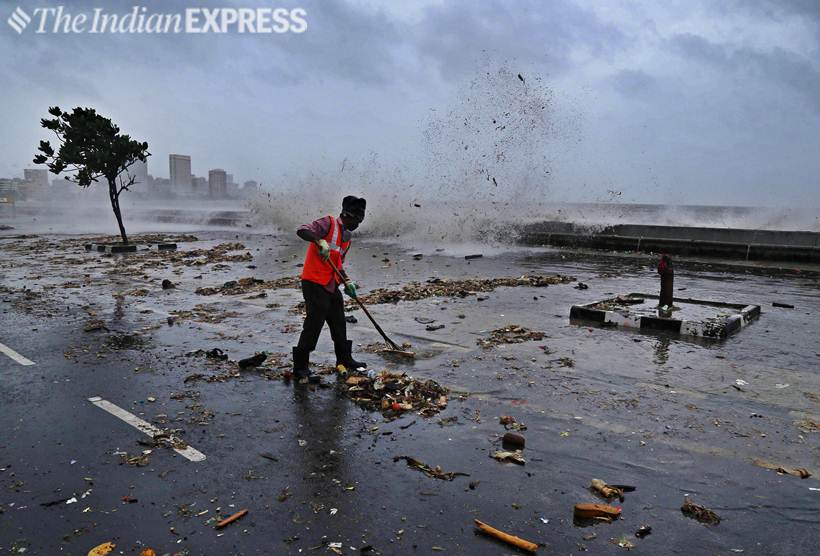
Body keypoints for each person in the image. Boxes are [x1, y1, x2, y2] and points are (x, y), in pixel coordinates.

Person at [292, 195, 367, 383]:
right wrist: (319, 241)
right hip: (314, 282)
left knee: (339, 323)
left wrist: (347, 282)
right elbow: (302, 230)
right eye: (356, 220)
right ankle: (300, 367)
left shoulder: (347, 238)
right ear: (346, 215)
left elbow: (338, 264)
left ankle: (345, 359)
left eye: (360, 221)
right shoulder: (328, 223)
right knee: (313, 325)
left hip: (331, 284)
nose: (357, 224)